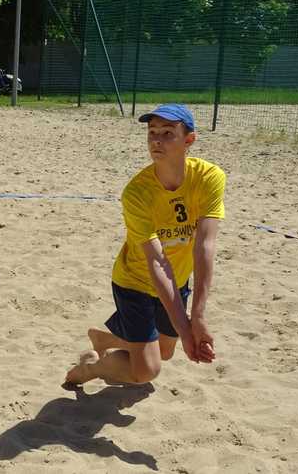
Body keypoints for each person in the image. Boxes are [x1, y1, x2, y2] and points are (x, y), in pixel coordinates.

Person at [65, 104, 226, 386]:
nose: (156, 140)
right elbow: (156, 261)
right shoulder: (137, 192)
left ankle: (107, 338)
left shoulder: (209, 177)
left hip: (177, 279)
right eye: (152, 132)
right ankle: (91, 367)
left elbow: (205, 245)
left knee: (165, 351)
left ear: (189, 140)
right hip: (135, 282)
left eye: (167, 133)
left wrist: (196, 317)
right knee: (147, 371)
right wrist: (186, 330)